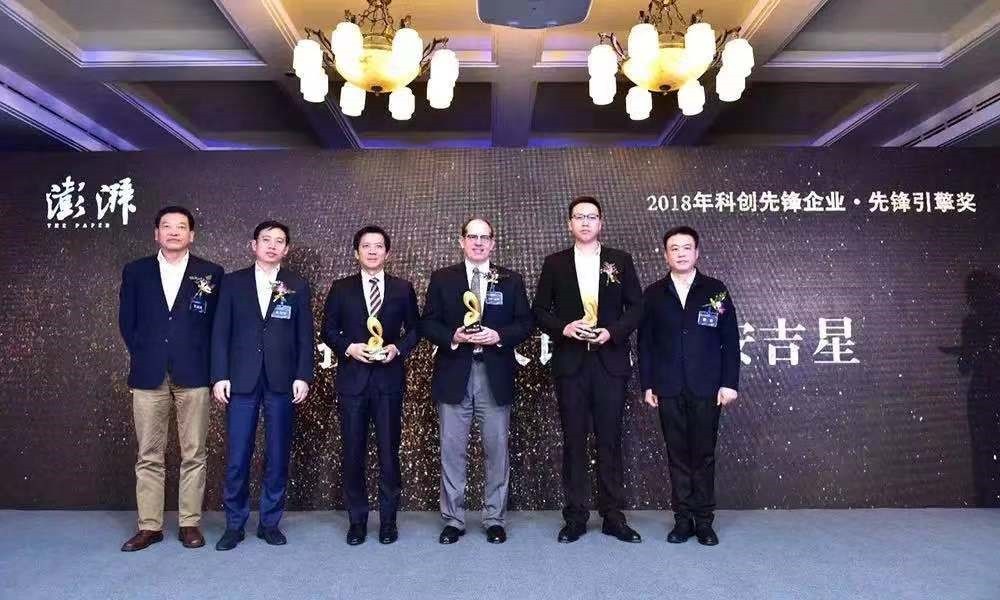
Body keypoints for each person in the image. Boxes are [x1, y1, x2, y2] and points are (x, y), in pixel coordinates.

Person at [533, 196, 644, 544]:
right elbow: (539, 310)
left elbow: (636, 308)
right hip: (572, 364)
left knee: (610, 440)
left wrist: (612, 332)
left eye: (591, 216)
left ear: (601, 222)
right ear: (569, 224)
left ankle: (613, 516)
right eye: (578, 217)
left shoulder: (620, 261)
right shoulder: (555, 263)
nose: (585, 222)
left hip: (609, 362)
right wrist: (564, 328)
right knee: (574, 442)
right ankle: (575, 517)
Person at [420, 218, 533, 544]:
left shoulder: (511, 279)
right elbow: (427, 323)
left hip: (494, 373)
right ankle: (453, 520)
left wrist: (499, 335)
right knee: (452, 450)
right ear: (462, 241)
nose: (479, 242)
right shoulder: (443, 278)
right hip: (454, 372)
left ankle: (494, 518)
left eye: (485, 237)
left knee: (496, 450)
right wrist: (452, 336)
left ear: (493, 243)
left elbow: (525, 323)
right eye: (473, 236)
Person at [118, 206, 224, 551]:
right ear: (156, 233)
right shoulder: (136, 271)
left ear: (192, 235)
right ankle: (149, 526)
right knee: (149, 453)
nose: (174, 232)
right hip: (149, 373)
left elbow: (217, 326)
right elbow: (127, 322)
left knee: (194, 452)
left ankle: (189, 523)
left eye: (181, 227)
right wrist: (147, 352)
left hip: (194, 372)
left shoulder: (210, 272)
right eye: (167, 226)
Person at [211, 221, 314, 550]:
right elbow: (220, 333)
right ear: (253, 245)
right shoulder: (232, 282)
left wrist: (303, 376)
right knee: (238, 455)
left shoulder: (296, 284)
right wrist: (219, 375)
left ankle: (270, 522)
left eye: (279, 241)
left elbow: (304, 335)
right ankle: (234, 524)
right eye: (266, 240)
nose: (272, 245)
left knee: (277, 454)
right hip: (240, 379)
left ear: (287, 249)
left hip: (282, 380)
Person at [638, 225, 740, 546]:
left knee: (704, 455)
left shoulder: (715, 290)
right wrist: (648, 384)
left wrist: (729, 383)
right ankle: (682, 520)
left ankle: (705, 522)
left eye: (686, 248)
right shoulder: (654, 293)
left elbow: (730, 340)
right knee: (677, 455)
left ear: (697, 252)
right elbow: (645, 344)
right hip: (668, 387)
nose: (680, 253)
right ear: (665, 254)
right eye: (674, 248)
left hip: (707, 387)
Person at [322, 225, 420, 545]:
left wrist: (397, 349)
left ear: (387, 252)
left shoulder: (403, 288)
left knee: (389, 454)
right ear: (356, 252)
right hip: (353, 381)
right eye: (366, 246)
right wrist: (349, 348)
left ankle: (388, 521)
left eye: (379, 246)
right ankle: (357, 521)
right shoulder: (341, 288)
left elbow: (415, 330)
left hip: (388, 381)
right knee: (353, 453)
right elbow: (328, 330)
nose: (373, 251)